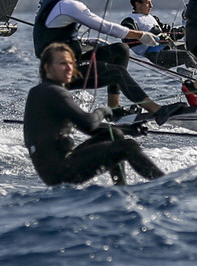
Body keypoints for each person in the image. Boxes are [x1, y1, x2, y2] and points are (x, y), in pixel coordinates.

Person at [33, 0, 187, 121]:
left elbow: (54, 36)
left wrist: (90, 42)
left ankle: (114, 108)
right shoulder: (69, 5)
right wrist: (140, 35)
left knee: (120, 49)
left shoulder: (48, 1)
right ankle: (157, 110)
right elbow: (105, 27)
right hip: (61, 73)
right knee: (116, 73)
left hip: (62, 65)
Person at [23, 43, 165, 187]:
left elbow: (87, 128)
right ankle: (164, 183)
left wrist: (128, 129)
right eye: (62, 63)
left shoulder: (41, 91)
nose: (69, 68)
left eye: (71, 63)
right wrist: (103, 110)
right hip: (61, 170)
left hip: (54, 170)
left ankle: (120, 185)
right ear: (47, 68)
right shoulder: (53, 91)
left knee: (114, 134)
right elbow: (88, 123)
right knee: (127, 147)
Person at [120, 0, 195, 68]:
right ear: (137, 4)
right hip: (156, 55)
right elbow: (127, 37)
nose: (151, 6)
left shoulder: (153, 18)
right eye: (148, 3)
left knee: (195, 48)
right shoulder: (130, 21)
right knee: (186, 55)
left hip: (169, 48)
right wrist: (151, 36)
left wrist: (184, 30)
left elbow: (168, 32)